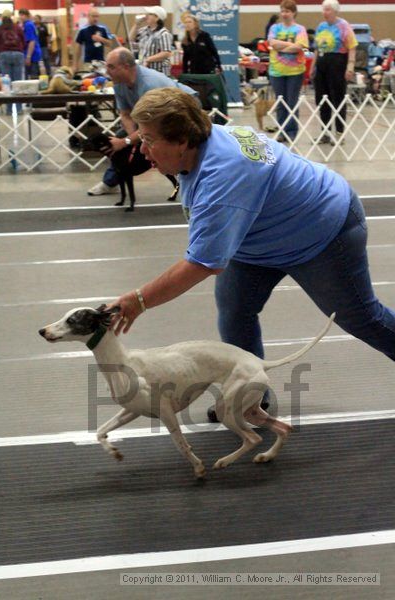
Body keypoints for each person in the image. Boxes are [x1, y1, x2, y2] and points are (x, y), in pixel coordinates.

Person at [105, 88, 395, 424]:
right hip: (257, 238)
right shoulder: (204, 140)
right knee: (235, 311)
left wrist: (138, 300)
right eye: (140, 138)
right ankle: (251, 397)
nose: (142, 149)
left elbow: (202, 264)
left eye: (150, 140)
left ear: (182, 140)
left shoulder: (223, 179)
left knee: (362, 318)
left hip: (323, 232)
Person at [87, 47, 198, 197]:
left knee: (175, 145)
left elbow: (156, 124)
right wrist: (129, 138)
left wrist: (126, 141)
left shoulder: (149, 84)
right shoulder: (119, 83)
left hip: (185, 110)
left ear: (126, 67)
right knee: (117, 144)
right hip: (150, 117)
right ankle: (111, 182)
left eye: (111, 67)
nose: (107, 72)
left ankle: (192, 180)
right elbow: (125, 114)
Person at [312, 0, 357, 145]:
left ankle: (339, 133)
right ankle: (325, 133)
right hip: (322, 63)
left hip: (337, 63)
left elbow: (352, 47)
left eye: (328, 10)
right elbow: (317, 49)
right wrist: (313, 67)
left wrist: (350, 66)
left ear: (335, 11)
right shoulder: (321, 26)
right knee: (322, 99)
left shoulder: (343, 25)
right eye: (324, 10)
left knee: (337, 98)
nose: (325, 13)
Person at [268, 0, 308, 142]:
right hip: (276, 71)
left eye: (288, 11)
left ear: (294, 13)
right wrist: (290, 45)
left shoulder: (300, 29)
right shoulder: (274, 28)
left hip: (295, 72)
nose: (284, 14)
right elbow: (272, 43)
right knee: (280, 103)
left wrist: (282, 46)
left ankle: (291, 132)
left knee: (292, 102)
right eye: (282, 11)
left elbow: (300, 47)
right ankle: (281, 131)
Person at [0, 11, 25, 114]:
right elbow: (23, 41)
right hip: (18, 54)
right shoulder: (18, 27)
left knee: (6, 83)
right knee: (18, 83)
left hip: (4, 54)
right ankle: (19, 109)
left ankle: (8, 110)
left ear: (2, 18)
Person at [129, 7, 172, 76]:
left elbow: (166, 53)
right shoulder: (144, 30)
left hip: (158, 71)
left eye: (149, 14)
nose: (146, 16)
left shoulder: (163, 33)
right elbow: (130, 39)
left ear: (157, 18)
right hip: (145, 70)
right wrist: (136, 24)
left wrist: (148, 59)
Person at [72, 8, 113, 74]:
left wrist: (101, 39)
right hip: (88, 62)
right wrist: (75, 64)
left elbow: (110, 44)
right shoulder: (83, 30)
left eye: (97, 16)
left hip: (101, 62)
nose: (95, 19)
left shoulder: (103, 29)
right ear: (88, 16)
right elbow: (78, 48)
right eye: (93, 16)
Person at [18, 8, 42, 79]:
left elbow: (32, 41)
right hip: (32, 53)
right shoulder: (28, 24)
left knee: (33, 77)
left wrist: (28, 57)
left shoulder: (28, 25)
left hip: (32, 54)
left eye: (23, 15)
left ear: (27, 16)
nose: (21, 17)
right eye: (20, 15)